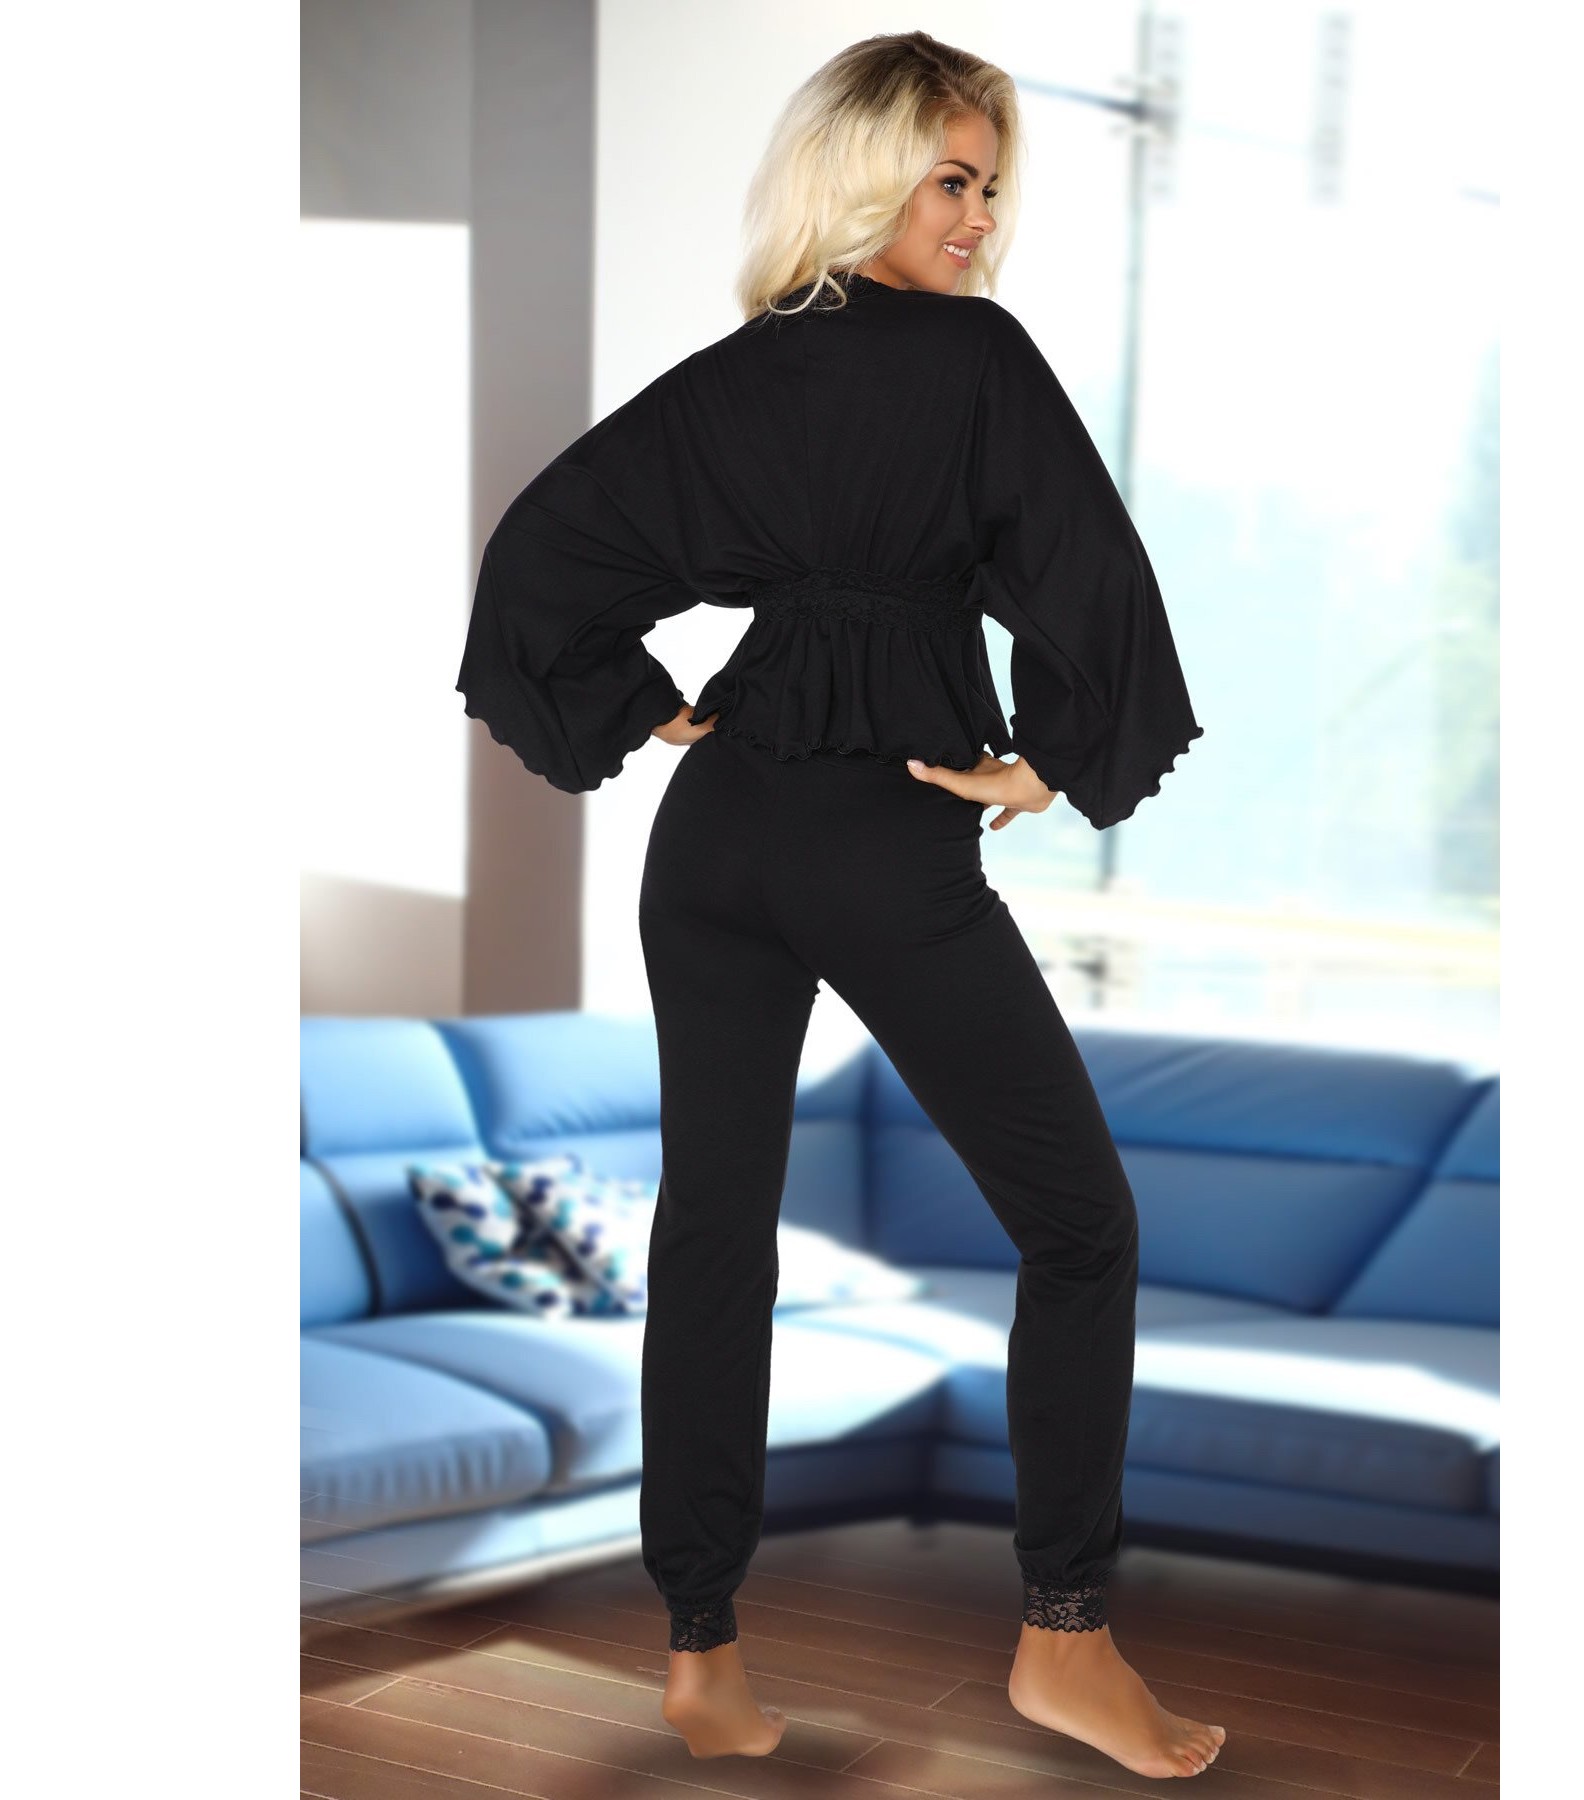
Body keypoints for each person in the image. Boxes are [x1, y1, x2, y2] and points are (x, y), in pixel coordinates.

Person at [454, 28, 1222, 1782]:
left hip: (718, 839)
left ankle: (701, 1656)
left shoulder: (744, 374)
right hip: (879, 836)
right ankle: (1066, 1639)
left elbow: (542, 560)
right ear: (869, 173)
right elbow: (1094, 582)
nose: (979, 218)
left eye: (991, 186)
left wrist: (652, 706)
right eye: (952, 179)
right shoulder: (975, 363)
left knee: (713, 1235)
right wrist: (1047, 764)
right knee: (1082, 1227)